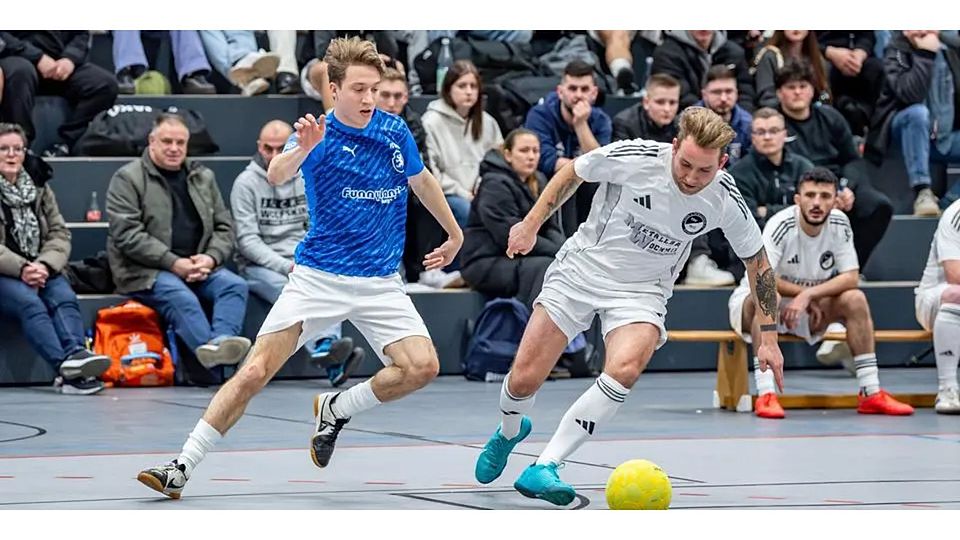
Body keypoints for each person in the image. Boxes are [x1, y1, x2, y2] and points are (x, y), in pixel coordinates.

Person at [136, 37, 463, 499]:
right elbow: (277, 173)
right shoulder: (317, 133)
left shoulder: (394, 131)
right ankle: (181, 465)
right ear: (333, 90)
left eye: (375, 89)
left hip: (379, 281)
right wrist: (302, 149)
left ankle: (338, 407)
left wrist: (454, 233)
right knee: (253, 373)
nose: (369, 99)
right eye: (359, 90)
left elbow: (421, 179)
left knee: (422, 367)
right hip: (319, 278)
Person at [473, 107, 784, 506]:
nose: (690, 177)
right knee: (524, 379)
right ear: (674, 147)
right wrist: (531, 223)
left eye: (703, 170)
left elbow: (758, 264)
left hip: (642, 291)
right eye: (685, 164)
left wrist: (770, 338)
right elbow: (573, 173)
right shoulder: (635, 157)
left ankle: (546, 466)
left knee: (624, 369)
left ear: (722, 163)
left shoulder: (725, 198)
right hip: (583, 269)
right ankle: (509, 430)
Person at [728, 167, 914, 419]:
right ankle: (766, 394)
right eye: (810, 195)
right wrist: (807, 295)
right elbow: (764, 278)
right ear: (797, 199)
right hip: (755, 304)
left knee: (855, 299)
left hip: (809, 305)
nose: (817, 203)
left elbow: (850, 276)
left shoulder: (839, 222)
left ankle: (870, 391)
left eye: (825, 196)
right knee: (771, 297)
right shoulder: (780, 224)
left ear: (836, 200)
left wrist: (808, 296)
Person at [106, 113, 250, 371]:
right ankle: (218, 365)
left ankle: (220, 342)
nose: (174, 148)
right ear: (152, 141)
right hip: (145, 271)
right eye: (167, 141)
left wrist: (211, 257)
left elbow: (224, 226)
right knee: (181, 298)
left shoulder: (202, 176)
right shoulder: (127, 178)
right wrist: (174, 263)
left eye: (180, 143)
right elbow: (127, 234)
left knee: (234, 285)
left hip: (199, 266)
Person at [230, 119, 363, 387]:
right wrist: (285, 265)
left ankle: (329, 358)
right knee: (292, 287)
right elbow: (247, 241)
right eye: (269, 149)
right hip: (261, 265)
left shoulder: (304, 175)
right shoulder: (245, 184)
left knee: (330, 280)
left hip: (301, 256)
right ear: (259, 146)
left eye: (281, 148)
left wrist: (311, 257)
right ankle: (326, 348)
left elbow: (318, 223)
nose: (275, 155)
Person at [0, 123, 110, 394]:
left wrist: (45, 264)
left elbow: (59, 232)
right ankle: (66, 370)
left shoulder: (38, 186)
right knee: (29, 303)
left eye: (18, 148)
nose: (12, 154)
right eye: (3, 149)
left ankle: (77, 356)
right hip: (6, 272)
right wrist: (23, 268)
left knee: (64, 297)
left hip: (42, 265)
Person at [777, 58, 893, 268]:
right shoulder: (775, 124)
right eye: (790, 87)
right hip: (798, 188)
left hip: (837, 182)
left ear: (812, 90)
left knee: (878, 205)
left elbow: (852, 159)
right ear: (779, 93)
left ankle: (849, 268)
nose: (797, 92)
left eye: (803, 86)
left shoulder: (830, 117)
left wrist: (845, 188)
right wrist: (824, 194)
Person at [461, 128, 565, 308]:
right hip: (484, 261)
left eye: (535, 151)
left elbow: (551, 226)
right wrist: (560, 253)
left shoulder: (540, 180)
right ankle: (529, 330)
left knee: (566, 267)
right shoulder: (494, 183)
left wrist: (565, 252)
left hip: (521, 258)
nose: (531, 156)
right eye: (524, 151)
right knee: (543, 267)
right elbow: (510, 238)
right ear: (508, 154)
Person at [525, 60, 612, 237]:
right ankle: (564, 243)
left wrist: (581, 124)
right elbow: (545, 160)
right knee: (568, 181)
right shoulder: (540, 115)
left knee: (596, 184)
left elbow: (603, 164)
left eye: (585, 89)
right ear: (560, 91)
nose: (578, 95)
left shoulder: (601, 121)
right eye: (572, 88)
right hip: (548, 181)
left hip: (586, 182)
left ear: (594, 93)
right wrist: (581, 168)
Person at [421, 60, 503, 229]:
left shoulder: (488, 122)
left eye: (473, 86)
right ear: (448, 88)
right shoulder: (431, 122)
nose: (468, 92)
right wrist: (464, 193)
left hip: (482, 191)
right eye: (462, 86)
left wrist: (482, 189)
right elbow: (432, 172)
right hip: (448, 194)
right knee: (466, 210)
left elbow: (497, 163)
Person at [915, 199, 960, 414]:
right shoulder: (956, 215)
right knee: (957, 294)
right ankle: (947, 390)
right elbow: (955, 275)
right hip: (935, 299)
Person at [612, 73, 680, 143]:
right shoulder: (625, 123)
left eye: (672, 102)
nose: (667, 109)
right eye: (660, 102)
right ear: (646, 102)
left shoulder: (681, 125)